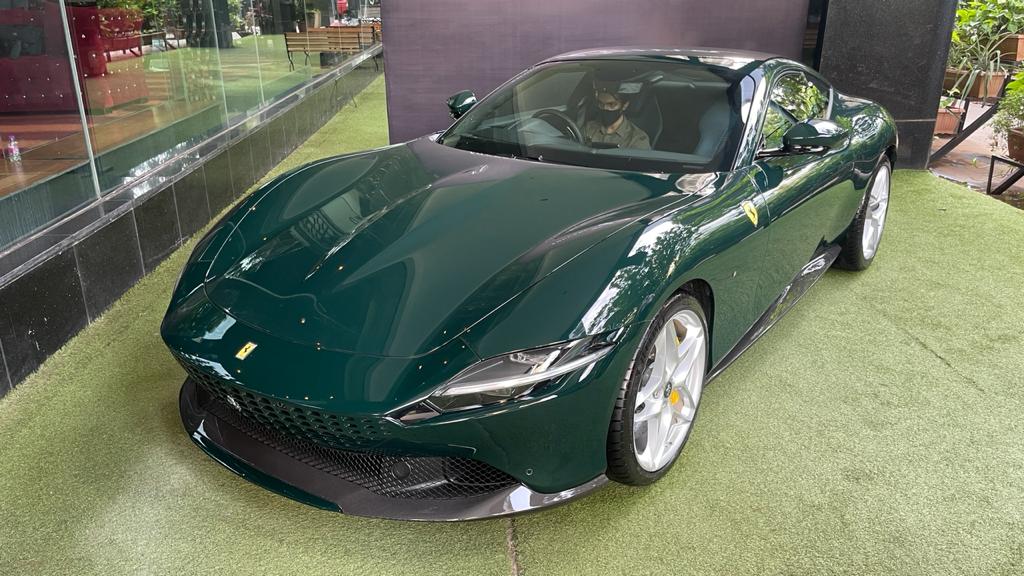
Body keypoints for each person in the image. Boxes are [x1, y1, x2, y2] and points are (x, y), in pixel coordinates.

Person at [582, 88, 651, 150]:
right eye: (601, 104)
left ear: (625, 105)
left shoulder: (637, 139)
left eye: (611, 104)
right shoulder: (588, 128)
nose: (605, 108)